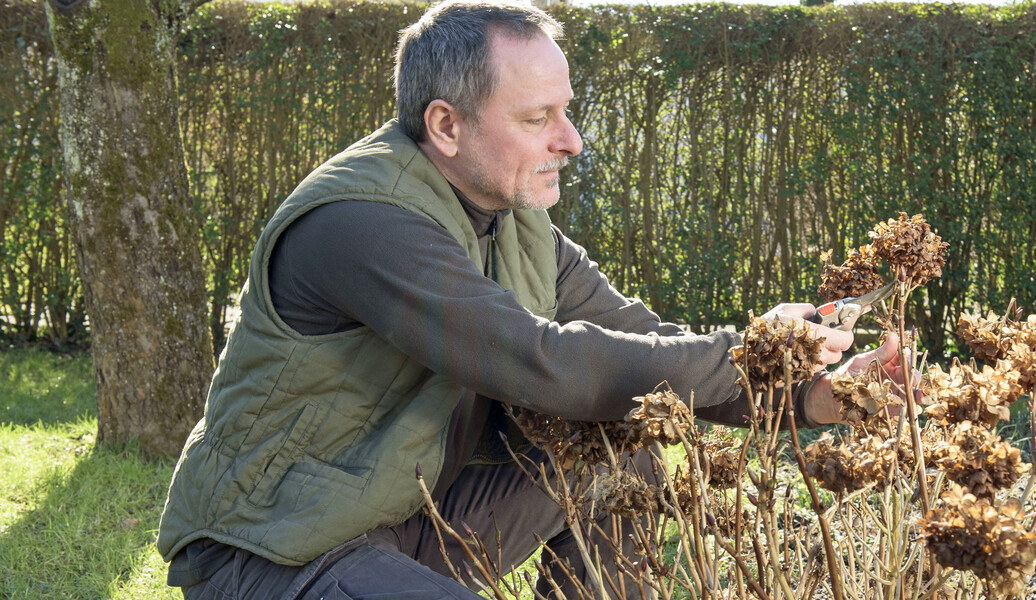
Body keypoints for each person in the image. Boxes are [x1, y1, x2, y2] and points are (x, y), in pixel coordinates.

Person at [156, 2, 906, 599]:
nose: (572, 140)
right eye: (536, 118)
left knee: (628, 442)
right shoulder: (361, 222)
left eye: (566, 110)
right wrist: (745, 353)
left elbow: (632, 344)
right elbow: (541, 363)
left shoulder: (515, 221)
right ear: (445, 125)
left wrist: (806, 395)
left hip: (411, 520)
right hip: (279, 551)